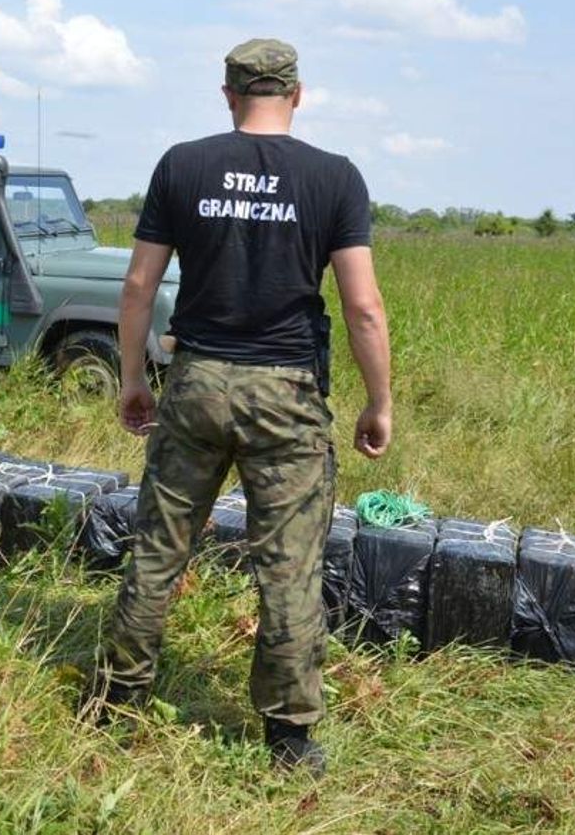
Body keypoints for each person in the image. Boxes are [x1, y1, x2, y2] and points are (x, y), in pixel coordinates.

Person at [86, 38, 392, 775]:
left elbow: (136, 287)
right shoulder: (335, 178)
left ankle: (118, 702)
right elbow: (363, 307)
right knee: (289, 565)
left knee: (160, 546)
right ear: (298, 93)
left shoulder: (183, 164)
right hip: (286, 394)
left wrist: (133, 378)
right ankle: (289, 737)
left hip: (194, 382)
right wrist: (379, 400)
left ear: (227, 94)